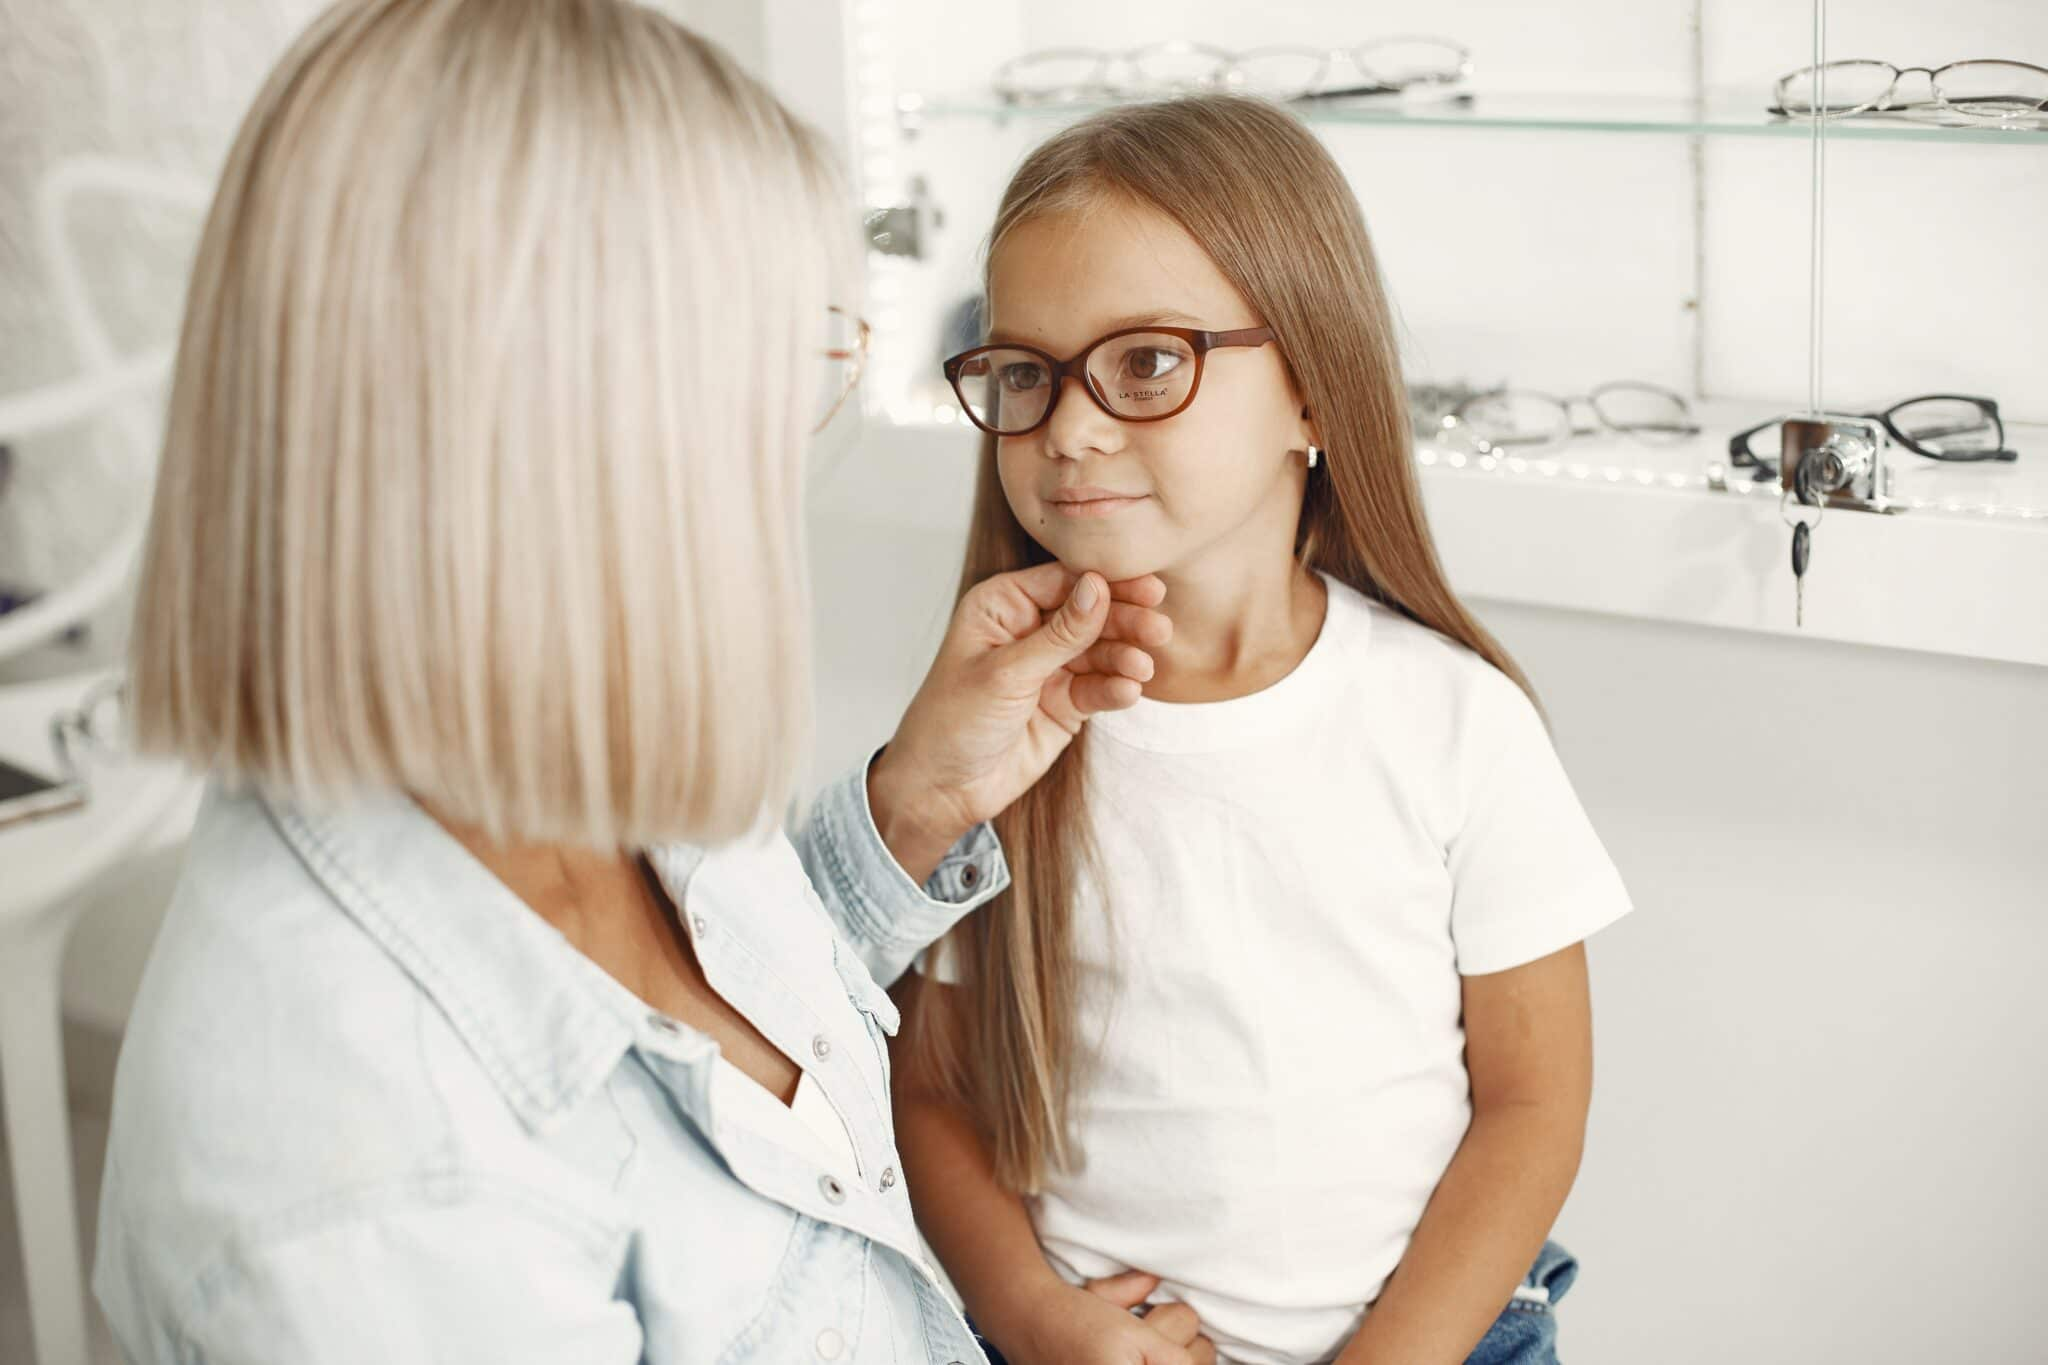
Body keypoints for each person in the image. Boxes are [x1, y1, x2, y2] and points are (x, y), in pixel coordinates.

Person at [90, 3, 1173, 1361]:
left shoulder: (538, 729)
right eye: (788, 366)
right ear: (574, 432)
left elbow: (710, 1055)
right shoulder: (376, 1198)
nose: (792, 441)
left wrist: (908, 810)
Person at [894, 94, 1635, 1365]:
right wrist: (1030, 1319)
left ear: (1312, 394)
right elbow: (936, 1093)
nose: (1068, 428)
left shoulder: (1453, 719)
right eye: (1024, 371)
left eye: (1145, 362)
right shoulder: (996, 735)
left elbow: (1533, 1105)